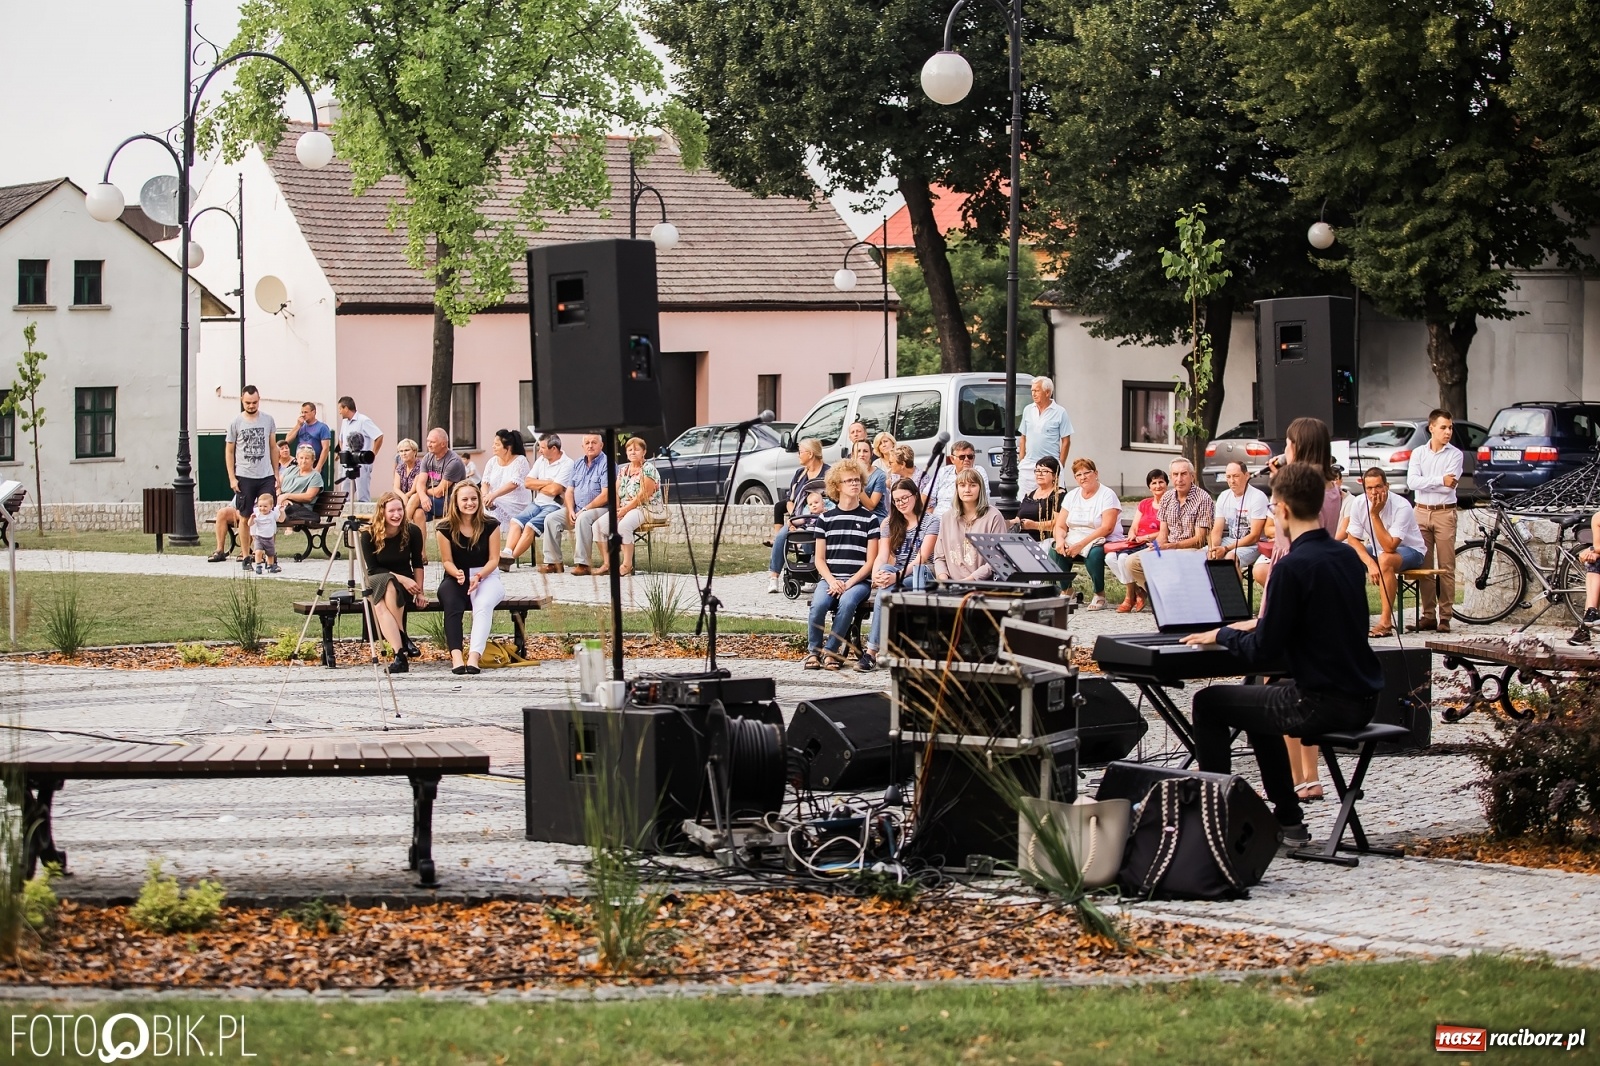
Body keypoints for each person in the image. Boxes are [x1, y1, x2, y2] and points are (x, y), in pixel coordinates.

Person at [1180, 462, 1384, 846]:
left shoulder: (1291, 567)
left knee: (1208, 703)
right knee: (1259, 697)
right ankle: (1289, 821)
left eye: (1273, 508)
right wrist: (1260, 624)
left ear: (1285, 510)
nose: (1274, 514)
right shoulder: (1345, 558)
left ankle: (1217, 824)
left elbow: (1264, 651)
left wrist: (1223, 633)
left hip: (1321, 703)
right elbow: (1322, 624)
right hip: (1362, 697)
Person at [1249, 416, 1347, 802]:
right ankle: (1312, 775)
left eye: (1289, 443)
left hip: (1290, 574)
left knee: (1278, 685)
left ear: (1299, 446)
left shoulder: (1299, 491)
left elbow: (1285, 532)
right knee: (1307, 683)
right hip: (1319, 582)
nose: (1284, 449)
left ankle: (1294, 777)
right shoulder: (1333, 488)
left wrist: (1279, 489)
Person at [805, 459, 881, 670]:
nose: (854, 484)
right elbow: (819, 559)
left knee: (847, 603)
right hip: (830, 579)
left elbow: (871, 561)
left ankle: (831, 652)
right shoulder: (825, 519)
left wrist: (848, 584)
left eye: (857, 480)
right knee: (818, 605)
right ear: (837, 486)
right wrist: (832, 581)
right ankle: (814, 652)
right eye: (849, 481)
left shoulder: (870, 519)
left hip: (858, 582)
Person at [860, 477, 940, 671]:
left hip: (923, 576)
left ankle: (871, 653)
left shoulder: (931, 521)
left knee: (888, 583)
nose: (901, 503)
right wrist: (876, 575)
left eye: (905, 498)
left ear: (915, 496)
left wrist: (895, 577)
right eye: (897, 500)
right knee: (885, 584)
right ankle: (874, 652)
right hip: (897, 576)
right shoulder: (889, 523)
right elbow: (882, 555)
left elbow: (921, 558)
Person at [1123, 458, 1214, 612]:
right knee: (1132, 562)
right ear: (1171, 477)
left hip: (1190, 549)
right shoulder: (1167, 497)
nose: (1179, 479)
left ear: (1192, 476)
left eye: (1184, 474)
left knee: (1174, 560)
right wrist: (1157, 547)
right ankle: (1163, 594)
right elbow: (1163, 534)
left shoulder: (1203, 499)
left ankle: (1175, 599)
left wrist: (1172, 546)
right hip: (1168, 547)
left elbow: (1199, 540)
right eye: (1175, 474)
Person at [1346, 467, 1426, 637]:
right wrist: (1370, 563)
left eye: (1378, 487)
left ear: (1386, 486)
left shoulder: (1401, 505)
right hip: (1379, 551)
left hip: (1412, 551)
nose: (1374, 492)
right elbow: (1352, 539)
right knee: (1344, 555)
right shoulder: (1359, 503)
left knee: (1385, 559)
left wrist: (1374, 515)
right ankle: (1349, 616)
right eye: (1369, 488)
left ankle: (1385, 623)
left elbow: (1390, 546)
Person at [434, 482, 505, 674]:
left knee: (482, 604)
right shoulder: (445, 528)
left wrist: (479, 576)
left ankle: (474, 656)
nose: (470, 503)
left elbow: (494, 559)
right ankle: (456, 657)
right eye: (464, 499)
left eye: (474, 498)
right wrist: (456, 573)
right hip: (456, 576)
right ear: (456, 502)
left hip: (486, 575)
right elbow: (447, 561)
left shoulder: (491, 525)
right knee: (451, 602)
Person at [1406, 408, 1462, 632]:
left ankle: (1445, 616)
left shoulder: (1455, 455)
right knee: (1424, 565)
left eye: (1450, 428)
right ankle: (1428, 614)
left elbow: (1450, 486)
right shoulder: (1418, 453)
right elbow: (1412, 482)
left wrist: (1427, 481)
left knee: (1446, 566)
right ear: (1431, 428)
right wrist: (1439, 479)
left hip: (1444, 513)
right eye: (1443, 427)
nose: (1448, 432)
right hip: (1421, 511)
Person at [208, 385, 278, 566]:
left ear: (259, 400)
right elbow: (229, 451)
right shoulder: (236, 423)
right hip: (245, 475)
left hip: (265, 475)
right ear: (242, 400)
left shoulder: (268, 420)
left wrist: (276, 474)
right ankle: (246, 555)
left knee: (268, 513)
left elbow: (273, 447)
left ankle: (269, 555)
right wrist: (232, 477)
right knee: (245, 516)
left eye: (254, 402)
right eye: (248, 402)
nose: (251, 406)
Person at [358, 492, 426, 674]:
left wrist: (419, 592)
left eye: (399, 510)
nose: (397, 515)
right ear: (382, 512)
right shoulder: (368, 534)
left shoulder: (412, 531)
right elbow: (373, 569)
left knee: (380, 606)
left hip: (403, 587)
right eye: (391, 511)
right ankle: (403, 639)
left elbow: (418, 564)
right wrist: (402, 578)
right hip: (376, 579)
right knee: (388, 582)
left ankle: (400, 656)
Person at [1053, 457, 1123, 611]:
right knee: (1056, 551)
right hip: (1075, 536)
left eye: (1086, 473)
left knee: (1094, 553)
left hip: (1101, 537)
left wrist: (1081, 545)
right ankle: (1067, 590)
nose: (1083, 477)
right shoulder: (1071, 496)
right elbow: (1060, 525)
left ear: (1096, 473)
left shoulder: (1107, 494)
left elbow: (1107, 528)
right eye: (1078, 475)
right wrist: (1060, 540)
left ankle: (1099, 594)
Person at [542, 433, 609, 575]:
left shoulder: (606, 464)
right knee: (551, 519)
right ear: (582, 446)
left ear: (601, 445)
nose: (590, 446)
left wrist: (584, 509)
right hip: (577, 509)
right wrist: (570, 510)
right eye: (587, 443)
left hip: (601, 509)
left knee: (583, 518)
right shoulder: (577, 463)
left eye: (594, 442)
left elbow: (605, 495)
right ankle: (554, 563)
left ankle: (583, 564)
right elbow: (569, 491)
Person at [594, 436, 661, 576]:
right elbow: (615, 491)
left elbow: (643, 495)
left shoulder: (649, 469)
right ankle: (608, 564)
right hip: (624, 508)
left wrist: (625, 510)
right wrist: (617, 509)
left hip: (645, 507)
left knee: (624, 525)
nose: (633, 452)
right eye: (630, 450)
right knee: (598, 526)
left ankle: (627, 565)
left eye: (637, 450)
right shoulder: (623, 470)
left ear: (644, 452)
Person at [768, 439, 829, 592]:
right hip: (800, 518)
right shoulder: (800, 474)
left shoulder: (828, 473)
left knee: (811, 536)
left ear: (811, 454)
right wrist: (794, 517)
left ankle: (812, 575)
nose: (798, 455)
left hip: (821, 519)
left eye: (800, 452)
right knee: (782, 535)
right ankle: (774, 577)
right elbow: (790, 500)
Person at [505, 434, 573, 567]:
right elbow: (527, 483)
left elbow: (555, 491)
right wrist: (548, 482)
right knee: (515, 522)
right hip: (538, 502)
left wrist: (539, 485)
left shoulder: (567, 463)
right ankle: (506, 553)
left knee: (530, 526)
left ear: (554, 448)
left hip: (555, 505)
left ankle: (509, 560)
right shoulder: (541, 460)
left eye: (542, 447)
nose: (539, 450)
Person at [933, 468, 1008, 582]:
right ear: (957, 489)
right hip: (951, 584)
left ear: (980, 488)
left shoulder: (994, 516)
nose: (967, 490)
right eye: (962, 485)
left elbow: (998, 558)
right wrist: (944, 581)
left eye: (973, 485)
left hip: (984, 583)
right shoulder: (946, 517)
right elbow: (939, 557)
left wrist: (969, 580)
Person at [1106, 468, 1167, 592]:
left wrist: (1146, 537)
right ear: (1149, 487)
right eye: (1154, 483)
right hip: (1137, 542)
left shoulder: (1169, 505)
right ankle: (1136, 589)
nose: (1158, 486)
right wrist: (1132, 534)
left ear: (1166, 484)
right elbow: (1134, 526)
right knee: (1110, 558)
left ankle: (1130, 594)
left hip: (1153, 543)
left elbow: (1167, 530)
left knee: (1123, 558)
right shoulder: (1144, 503)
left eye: (1161, 482)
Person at [1210, 461, 1271, 571]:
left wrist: (1225, 549)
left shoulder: (1258, 497)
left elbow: (1254, 536)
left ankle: (1232, 583)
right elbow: (1217, 530)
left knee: (1230, 558)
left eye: (1236, 476)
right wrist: (1214, 548)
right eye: (1228, 477)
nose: (1232, 481)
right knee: (1202, 555)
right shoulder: (1223, 496)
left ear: (1247, 476)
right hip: (1230, 540)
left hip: (1253, 544)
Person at [1018, 376, 1073, 493]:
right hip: (1029, 465)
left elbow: (1066, 441)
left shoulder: (1060, 412)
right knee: (1025, 500)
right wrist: (1022, 460)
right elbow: (1023, 437)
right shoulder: (1028, 410)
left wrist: (1060, 464)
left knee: (1052, 499)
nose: (1033, 394)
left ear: (1047, 392)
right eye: (1032, 390)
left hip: (1050, 465)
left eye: (1037, 390)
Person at [410, 428, 467, 535]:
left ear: (443, 444)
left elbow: (440, 492)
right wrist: (423, 496)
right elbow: (420, 483)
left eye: (432, 442)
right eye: (428, 441)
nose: (428, 444)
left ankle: (401, 528)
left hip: (450, 502)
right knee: (418, 513)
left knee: (415, 497)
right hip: (432, 500)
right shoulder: (427, 458)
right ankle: (420, 546)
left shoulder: (453, 462)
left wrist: (422, 494)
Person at [479, 429, 532, 529]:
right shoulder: (492, 461)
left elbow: (514, 484)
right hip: (494, 499)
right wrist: (485, 496)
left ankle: (496, 533)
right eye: (493, 444)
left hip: (515, 502)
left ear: (508, 447)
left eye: (497, 444)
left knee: (492, 507)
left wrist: (493, 495)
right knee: (478, 505)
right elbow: (485, 482)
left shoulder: (521, 460)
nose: (493, 446)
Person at [335, 396, 384, 502]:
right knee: (344, 494)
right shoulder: (344, 422)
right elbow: (341, 439)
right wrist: (342, 452)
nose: (339, 412)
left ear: (346, 408)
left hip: (361, 463)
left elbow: (379, 436)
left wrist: (373, 454)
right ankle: (346, 511)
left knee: (362, 494)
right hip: (347, 462)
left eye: (340, 409)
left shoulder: (363, 420)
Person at [926, 439, 990, 518]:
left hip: (963, 519)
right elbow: (926, 495)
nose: (966, 459)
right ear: (952, 459)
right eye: (962, 457)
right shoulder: (943, 471)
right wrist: (927, 513)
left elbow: (984, 499)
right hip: (937, 519)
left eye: (970, 457)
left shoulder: (978, 472)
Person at [1566, 511, 1600, 645]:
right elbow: (1598, 546)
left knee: (1595, 565)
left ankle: (1584, 628)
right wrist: (1594, 552)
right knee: (1595, 564)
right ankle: (1590, 615)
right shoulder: (1598, 518)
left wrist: (1592, 551)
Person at [1015, 456, 1065, 542]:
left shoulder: (1059, 494)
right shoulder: (1029, 495)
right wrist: (1007, 522)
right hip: (1022, 540)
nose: (1039, 474)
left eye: (1044, 471)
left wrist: (1034, 525)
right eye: (1037, 471)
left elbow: (1058, 523)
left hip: (1044, 541)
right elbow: (1018, 518)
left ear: (1054, 476)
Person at [286, 401, 334, 478]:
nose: (303, 415)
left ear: (313, 412)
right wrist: (298, 425)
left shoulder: (322, 427)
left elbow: (325, 448)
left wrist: (319, 466)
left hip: (314, 463)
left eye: (306, 412)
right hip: (300, 464)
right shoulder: (301, 426)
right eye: (302, 412)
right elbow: (287, 440)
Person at [278, 443, 324, 522]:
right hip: (282, 502)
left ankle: (284, 515)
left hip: (300, 506)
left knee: (289, 509)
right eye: (301, 458)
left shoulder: (315, 476)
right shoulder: (290, 469)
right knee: (263, 506)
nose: (303, 461)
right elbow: (277, 485)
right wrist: (281, 498)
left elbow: (309, 497)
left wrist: (287, 496)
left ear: (313, 460)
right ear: (297, 459)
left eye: (307, 458)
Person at [248, 491, 285, 574]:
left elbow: (281, 520)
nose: (262, 508)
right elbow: (249, 524)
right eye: (260, 506)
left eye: (265, 506)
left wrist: (282, 511)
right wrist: (251, 518)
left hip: (269, 538)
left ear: (271, 506)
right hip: (259, 537)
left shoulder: (273, 514)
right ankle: (258, 566)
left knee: (270, 554)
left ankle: (270, 566)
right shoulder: (257, 515)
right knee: (258, 551)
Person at [854, 439, 888, 519]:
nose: (862, 454)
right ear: (853, 454)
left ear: (871, 453)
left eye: (865, 451)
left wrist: (857, 486)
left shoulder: (880, 475)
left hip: (875, 516)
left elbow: (871, 506)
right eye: (858, 451)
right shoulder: (846, 473)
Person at [392, 438, 423, 505]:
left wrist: (404, 498)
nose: (403, 453)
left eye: (406, 450)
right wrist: (403, 497)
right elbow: (396, 488)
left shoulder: (421, 466)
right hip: (402, 498)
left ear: (414, 452)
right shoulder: (400, 467)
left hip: (417, 500)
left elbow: (413, 490)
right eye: (401, 451)